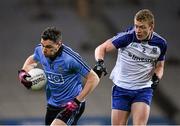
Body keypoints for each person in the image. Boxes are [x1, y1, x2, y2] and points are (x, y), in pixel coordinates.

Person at [93, 9, 167, 125]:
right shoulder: (127, 37)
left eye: (142, 27)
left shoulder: (161, 44)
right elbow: (101, 48)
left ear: (151, 27)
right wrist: (100, 62)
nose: (138, 31)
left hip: (143, 89)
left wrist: (157, 77)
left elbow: (160, 66)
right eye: (136, 26)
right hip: (121, 89)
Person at [18, 27, 100, 125]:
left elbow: (94, 78)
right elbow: (32, 60)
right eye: (43, 45)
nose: (44, 50)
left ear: (58, 44)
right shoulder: (40, 50)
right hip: (52, 105)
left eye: (48, 47)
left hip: (71, 105)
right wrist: (23, 74)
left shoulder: (70, 59)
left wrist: (77, 101)